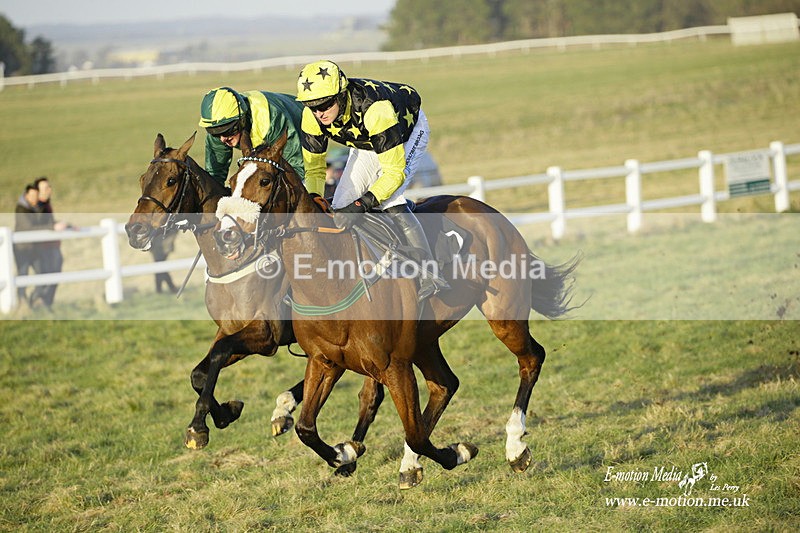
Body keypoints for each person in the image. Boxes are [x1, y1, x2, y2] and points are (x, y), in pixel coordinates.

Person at [295, 59, 449, 301]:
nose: (319, 112)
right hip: (367, 140)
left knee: (389, 198)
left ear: (341, 95)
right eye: (312, 106)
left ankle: (430, 272)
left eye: (324, 104)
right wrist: (315, 198)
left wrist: (360, 206)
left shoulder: (376, 110)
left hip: (405, 132)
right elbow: (314, 169)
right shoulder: (311, 116)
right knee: (340, 205)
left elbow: (394, 174)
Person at [198, 87, 306, 186]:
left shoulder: (271, 120)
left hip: (305, 126)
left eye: (227, 131)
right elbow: (214, 178)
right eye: (215, 132)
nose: (222, 139)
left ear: (242, 120)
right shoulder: (218, 127)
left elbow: (297, 169)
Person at [29, 177, 66, 310]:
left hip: (53, 247)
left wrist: (68, 226)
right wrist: (52, 227)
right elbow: (35, 226)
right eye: (45, 188)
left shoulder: (47, 205)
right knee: (44, 279)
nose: (49, 190)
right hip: (41, 249)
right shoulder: (34, 207)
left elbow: (50, 223)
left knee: (55, 276)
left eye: (49, 187)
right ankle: (34, 304)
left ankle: (46, 305)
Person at [13, 184, 40, 303]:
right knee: (23, 273)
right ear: (26, 195)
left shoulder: (36, 208)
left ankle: (34, 300)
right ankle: (22, 300)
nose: (34, 198)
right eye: (32, 195)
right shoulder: (21, 209)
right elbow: (28, 227)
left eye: (36, 195)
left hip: (33, 248)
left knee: (41, 273)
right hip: (22, 248)